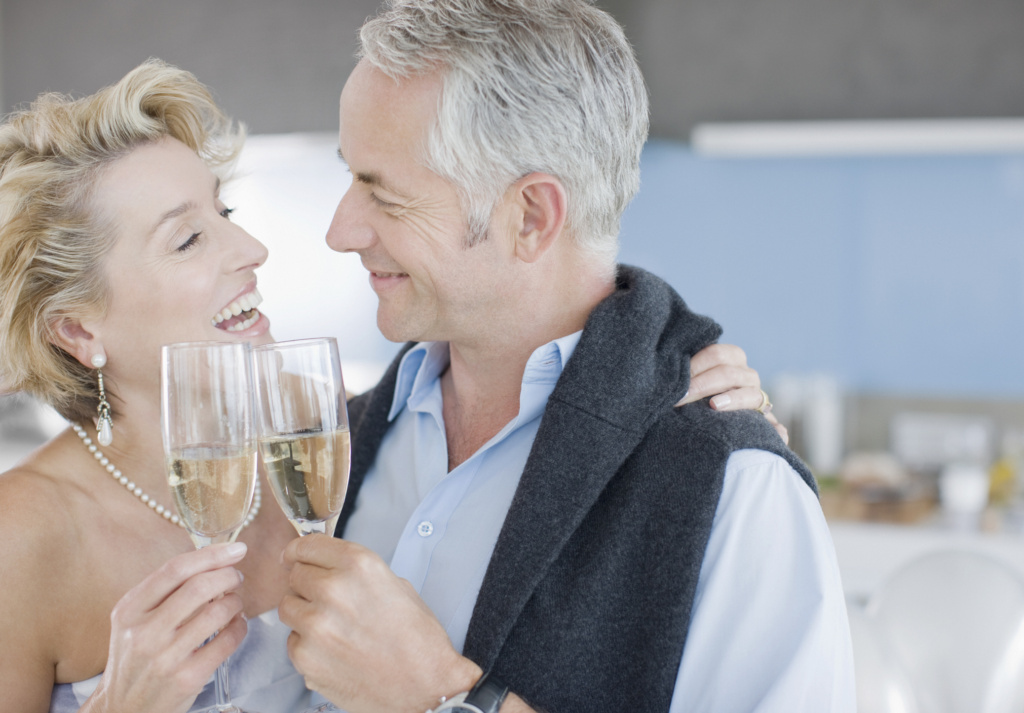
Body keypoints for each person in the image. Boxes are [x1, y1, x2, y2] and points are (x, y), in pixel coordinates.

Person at [0, 60, 771, 712]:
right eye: (189, 237)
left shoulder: (334, 448)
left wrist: (687, 414)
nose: (253, 247)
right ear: (77, 330)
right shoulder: (21, 537)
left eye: (225, 208)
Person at [279, 1, 855, 712]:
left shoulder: (734, 489)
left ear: (531, 217)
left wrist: (436, 696)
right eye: (349, 174)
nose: (340, 229)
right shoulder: (335, 443)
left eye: (384, 195)